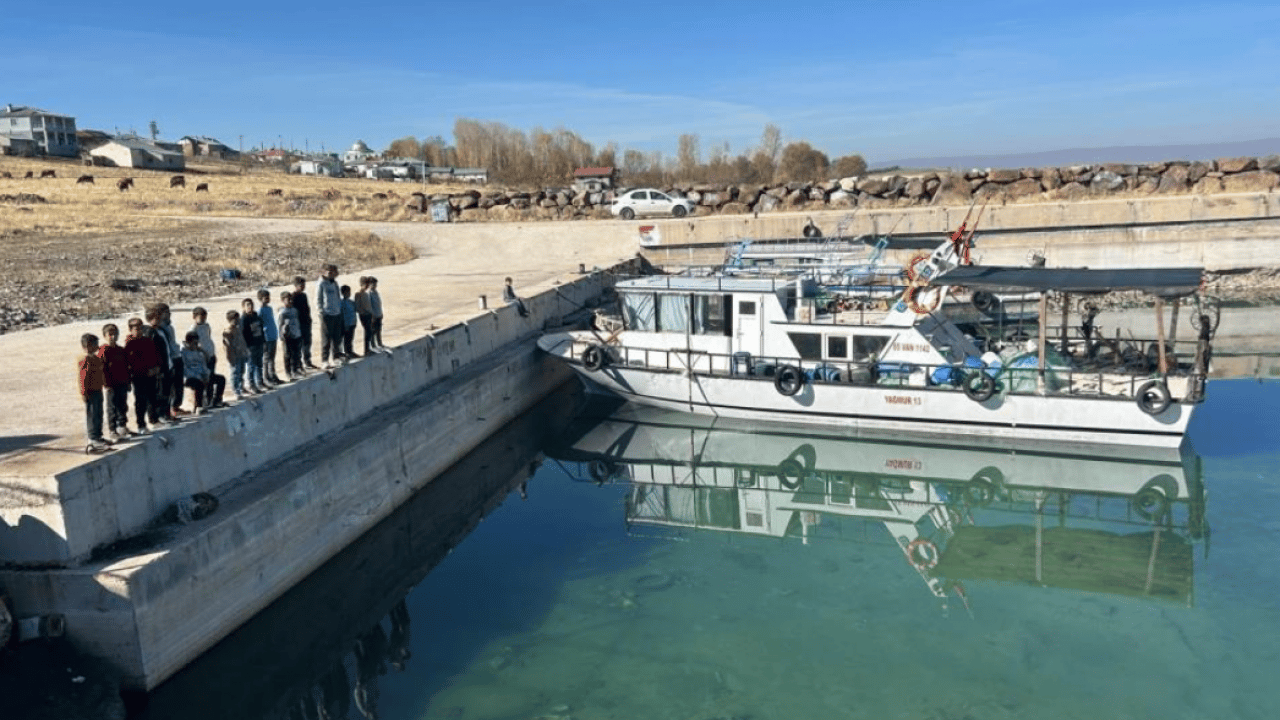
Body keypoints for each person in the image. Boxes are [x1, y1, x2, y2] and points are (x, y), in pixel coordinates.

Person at [124, 317, 162, 434]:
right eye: (136, 329)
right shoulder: (129, 344)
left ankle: (154, 420)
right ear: (130, 330)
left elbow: (156, 356)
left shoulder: (147, 340)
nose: (139, 331)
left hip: (151, 375)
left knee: (152, 398)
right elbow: (129, 363)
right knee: (140, 401)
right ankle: (141, 425)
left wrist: (156, 368)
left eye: (140, 328)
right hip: (138, 377)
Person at [97, 323, 132, 440]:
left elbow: (126, 366)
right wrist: (106, 384)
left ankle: (122, 426)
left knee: (123, 405)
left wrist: (128, 381)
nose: (113, 337)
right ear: (105, 336)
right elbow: (102, 369)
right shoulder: (103, 351)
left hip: (122, 382)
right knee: (112, 407)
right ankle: (112, 430)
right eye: (110, 334)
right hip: (111, 384)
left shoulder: (121, 350)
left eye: (115, 334)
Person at [78, 333, 110, 451]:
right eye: (95, 344)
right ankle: (93, 438)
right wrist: (84, 392)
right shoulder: (86, 360)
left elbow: (100, 373)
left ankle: (98, 436)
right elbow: (83, 378)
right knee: (92, 415)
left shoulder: (96, 358)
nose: (97, 346)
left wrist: (104, 383)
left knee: (99, 413)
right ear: (87, 346)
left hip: (98, 390)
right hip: (90, 392)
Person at [181, 331, 225, 411]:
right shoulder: (183, 352)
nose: (196, 345)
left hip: (202, 375)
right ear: (189, 342)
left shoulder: (199, 352)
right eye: (194, 343)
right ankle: (198, 406)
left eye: (197, 343)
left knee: (221, 379)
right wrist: (198, 376)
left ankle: (217, 400)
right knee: (199, 384)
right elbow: (185, 369)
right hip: (190, 377)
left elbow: (203, 365)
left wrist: (207, 374)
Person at [316, 264, 344, 367]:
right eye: (329, 272)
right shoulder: (321, 283)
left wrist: (339, 310)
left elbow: (338, 297)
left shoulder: (335, 283)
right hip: (327, 314)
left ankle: (336, 358)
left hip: (336, 313)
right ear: (324, 272)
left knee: (337, 338)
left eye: (333, 272)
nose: (332, 274)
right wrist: (321, 312)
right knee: (326, 338)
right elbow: (318, 299)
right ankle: (325, 360)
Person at [189, 307, 218, 405]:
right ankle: (200, 402)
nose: (203, 319)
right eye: (201, 318)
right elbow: (193, 345)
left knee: (211, 378)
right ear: (194, 317)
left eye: (205, 317)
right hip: (202, 358)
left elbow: (208, 337)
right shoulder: (193, 329)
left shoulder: (206, 325)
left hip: (211, 355)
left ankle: (210, 399)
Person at [222, 310, 250, 399]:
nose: (238, 321)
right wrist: (230, 357)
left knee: (242, 372)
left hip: (241, 353)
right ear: (231, 320)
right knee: (235, 373)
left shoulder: (238, 328)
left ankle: (241, 387)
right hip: (234, 356)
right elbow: (227, 346)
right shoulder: (228, 331)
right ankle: (236, 390)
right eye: (236, 319)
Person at [240, 298, 266, 393]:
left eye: (251, 304)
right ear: (243, 307)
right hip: (250, 346)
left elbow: (261, 329)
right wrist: (245, 347)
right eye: (247, 305)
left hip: (259, 343)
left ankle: (260, 382)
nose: (250, 307)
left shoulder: (256, 316)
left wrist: (263, 341)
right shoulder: (244, 319)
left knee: (259, 364)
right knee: (251, 366)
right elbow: (243, 334)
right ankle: (251, 384)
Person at [257, 289, 282, 385]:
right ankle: (266, 377)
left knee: (272, 358)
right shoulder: (260, 310)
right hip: (266, 337)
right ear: (260, 299)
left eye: (268, 297)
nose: (268, 299)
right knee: (266, 358)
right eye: (266, 298)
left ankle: (273, 375)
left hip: (273, 335)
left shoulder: (269, 308)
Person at [292, 276, 316, 369]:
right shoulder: (293, 297)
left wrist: (309, 319)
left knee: (307, 343)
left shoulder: (304, 295)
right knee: (299, 345)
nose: (303, 287)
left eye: (304, 285)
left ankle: (307, 361)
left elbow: (307, 308)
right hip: (299, 324)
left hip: (306, 322)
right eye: (301, 285)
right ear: (296, 286)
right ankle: (299, 364)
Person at [279, 291, 303, 380]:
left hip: (296, 334)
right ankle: (288, 372)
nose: (290, 301)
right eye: (287, 299)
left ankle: (295, 370)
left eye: (290, 299)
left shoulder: (294, 310)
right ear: (283, 300)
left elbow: (297, 321)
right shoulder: (282, 312)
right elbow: (280, 325)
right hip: (287, 336)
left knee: (296, 354)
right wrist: (281, 336)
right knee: (287, 355)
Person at [355, 276, 375, 356]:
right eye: (365, 285)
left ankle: (368, 348)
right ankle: (366, 350)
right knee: (367, 331)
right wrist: (363, 311)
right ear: (361, 284)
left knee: (369, 332)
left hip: (369, 314)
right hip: (364, 315)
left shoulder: (366, 293)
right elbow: (357, 307)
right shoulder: (358, 294)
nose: (367, 286)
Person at [340, 284, 358, 358]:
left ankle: (350, 351)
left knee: (350, 338)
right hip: (346, 324)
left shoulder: (351, 302)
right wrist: (344, 324)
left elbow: (355, 310)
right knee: (346, 339)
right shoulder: (341, 303)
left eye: (349, 292)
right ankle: (347, 352)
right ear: (343, 293)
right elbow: (342, 314)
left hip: (352, 323)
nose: (349, 293)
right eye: (347, 292)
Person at [367, 276, 385, 351]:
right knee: (373, 331)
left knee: (379, 330)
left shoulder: (376, 292)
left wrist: (381, 313)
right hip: (374, 316)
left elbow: (379, 303)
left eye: (375, 284)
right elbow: (369, 306)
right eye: (373, 284)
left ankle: (380, 343)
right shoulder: (369, 293)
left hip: (379, 314)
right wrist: (372, 316)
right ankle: (373, 345)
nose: (375, 286)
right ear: (369, 284)